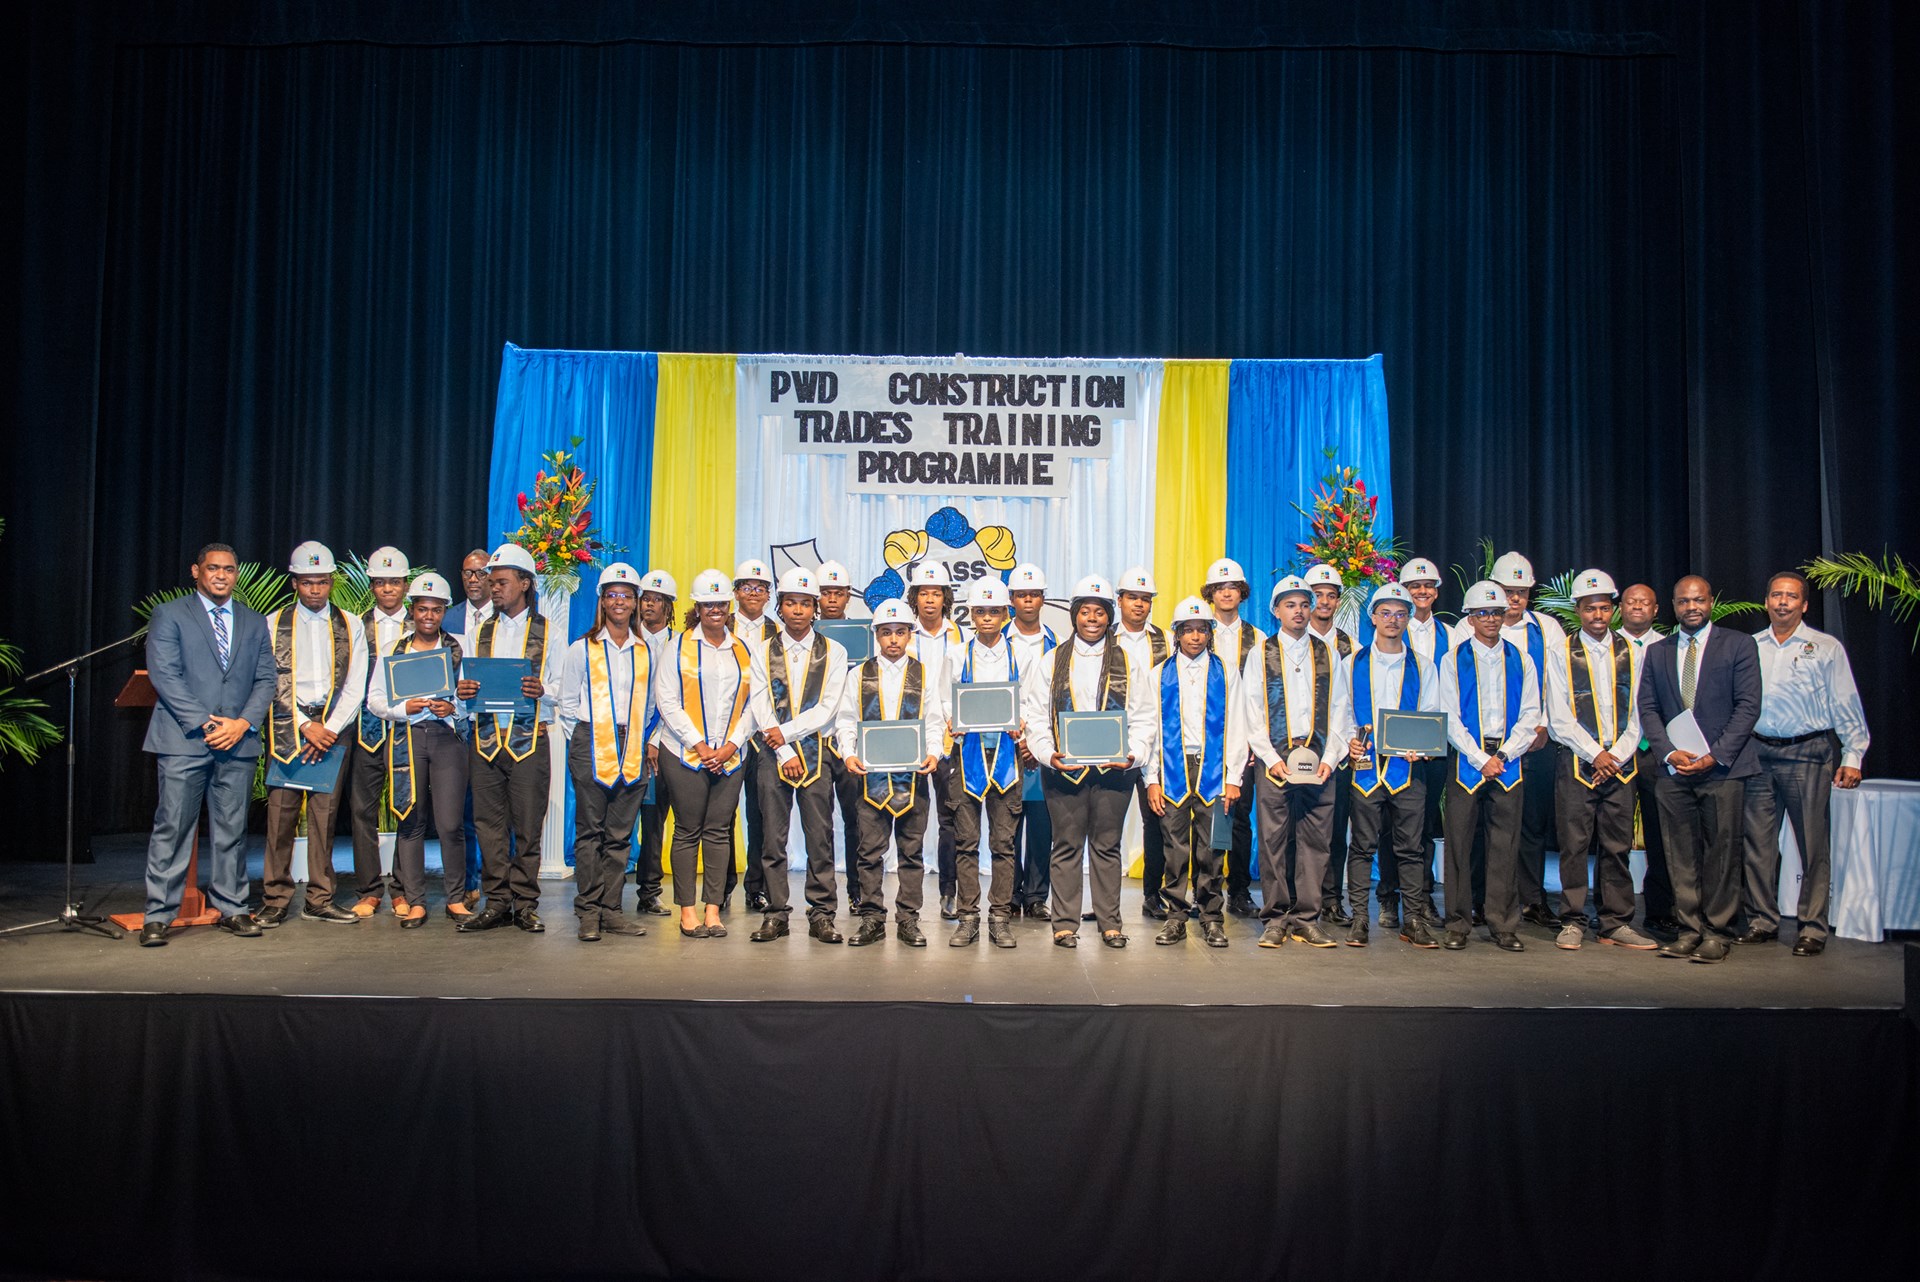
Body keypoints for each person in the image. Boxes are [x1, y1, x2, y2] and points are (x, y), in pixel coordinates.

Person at [137, 543, 276, 946]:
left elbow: (266, 679)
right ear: (196, 571)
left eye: (228, 569)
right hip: (184, 740)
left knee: (231, 830)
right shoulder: (170, 614)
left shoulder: (253, 622)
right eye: (213, 568)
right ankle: (159, 914)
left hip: (238, 741)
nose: (221, 575)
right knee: (174, 826)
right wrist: (204, 722)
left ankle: (233, 908)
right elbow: (164, 675)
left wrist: (242, 723)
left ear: (236, 575)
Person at [1738, 570, 1869, 956]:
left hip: (1807, 753)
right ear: (1766, 602)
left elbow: (1845, 702)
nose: (1782, 602)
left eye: (1791, 597)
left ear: (1804, 604)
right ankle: (1762, 920)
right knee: (1758, 844)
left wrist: (1853, 753)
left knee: (1812, 845)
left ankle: (1812, 927)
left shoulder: (1825, 647)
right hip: (1757, 752)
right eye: (1776, 595)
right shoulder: (1751, 646)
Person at [1021, 575, 1155, 948]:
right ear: (1075, 615)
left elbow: (1144, 716)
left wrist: (1134, 755)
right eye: (1085, 612)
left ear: (1108, 616)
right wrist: (1050, 755)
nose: (1091, 618)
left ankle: (1110, 922)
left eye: (1099, 612)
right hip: (1064, 770)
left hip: (1115, 771)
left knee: (1107, 845)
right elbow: (1034, 715)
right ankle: (1064, 923)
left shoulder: (1128, 661)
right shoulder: (1051, 661)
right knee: (1066, 845)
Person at [1637, 575, 1762, 964]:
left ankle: (1717, 931)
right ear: (1673, 606)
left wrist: (1716, 754)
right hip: (1675, 771)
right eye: (1683, 602)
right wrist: (1669, 753)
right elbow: (1648, 709)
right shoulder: (1658, 652)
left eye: (1699, 601)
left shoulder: (1739, 645)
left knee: (1721, 852)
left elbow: (1748, 707)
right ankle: (1689, 929)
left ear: (1711, 602)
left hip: (1723, 769)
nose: (1692, 608)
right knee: (1680, 854)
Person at [1544, 571, 1658, 951]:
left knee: (1616, 844)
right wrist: (1596, 753)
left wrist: (1618, 754)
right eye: (1590, 607)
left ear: (1613, 609)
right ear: (1577, 610)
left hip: (1621, 763)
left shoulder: (1634, 651)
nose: (1597, 614)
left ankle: (1616, 922)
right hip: (1577, 761)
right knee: (1575, 844)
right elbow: (1558, 717)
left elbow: (1642, 710)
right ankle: (1574, 920)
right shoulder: (1559, 652)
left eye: (1604, 607)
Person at [453, 544, 564, 934]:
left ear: (525, 583)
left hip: (528, 740)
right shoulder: (477, 631)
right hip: (484, 741)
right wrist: (461, 693)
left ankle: (525, 903)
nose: (492, 588)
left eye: (500, 582)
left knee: (528, 826)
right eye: (489, 581)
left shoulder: (550, 632)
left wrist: (542, 689)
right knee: (488, 825)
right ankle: (496, 901)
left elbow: (564, 691)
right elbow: (463, 692)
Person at [258, 541, 367, 928]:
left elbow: (356, 685)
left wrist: (330, 728)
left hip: (332, 731)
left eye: (322, 582)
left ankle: (319, 898)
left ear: (332, 581)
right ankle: (275, 897)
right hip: (289, 726)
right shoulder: (272, 624)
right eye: (308, 583)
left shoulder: (351, 625)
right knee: (281, 817)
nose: (316, 590)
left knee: (324, 818)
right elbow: (267, 681)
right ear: (295, 583)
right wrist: (305, 725)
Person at [1244, 575, 1355, 949]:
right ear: (1276, 610)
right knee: (1274, 841)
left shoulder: (1328, 652)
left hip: (1319, 762)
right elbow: (1252, 710)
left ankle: (1308, 918)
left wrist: (1332, 757)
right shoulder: (1261, 652)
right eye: (1291, 604)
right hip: (1274, 762)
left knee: (1316, 841)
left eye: (1305, 604)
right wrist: (1271, 758)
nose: (1300, 611)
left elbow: (1342, 708)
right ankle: (1275, 919)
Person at [746, 567, 850, 944]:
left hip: (816, 753)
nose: (797, 611)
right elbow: (760, 705)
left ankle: (822, 913)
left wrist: (786, 735)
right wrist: (783, 748)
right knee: (772, 839)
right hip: (772, 757)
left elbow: (828, 708)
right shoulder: (762, 651)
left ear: (815, 607)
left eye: (805, 604)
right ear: (781, 606)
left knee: (819, 837)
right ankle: (776, 913)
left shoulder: (834, 652)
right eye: (790, 603)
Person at [1438, 580, 1543, 952]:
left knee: (1505, 843)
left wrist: (1504, 755)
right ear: (1470, 617)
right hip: (1468, 758)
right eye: (1483, 613)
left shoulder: (1522, 659)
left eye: (1496, 612)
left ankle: (1503, 923)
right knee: (1459, 844)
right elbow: (1448, 716)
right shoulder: (1452, 660)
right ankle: (1457, 922)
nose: (1491, 619)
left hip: (1508, 759)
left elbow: (1531, 714)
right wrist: (1481, 759)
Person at [836, 599, 947, 947]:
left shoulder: (925, 674)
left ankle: (908, 919)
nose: (894, 639)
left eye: (900, 632)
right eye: (887, 633)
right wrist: (849, 753)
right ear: (877, 635)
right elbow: (845, 719)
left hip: (913, 778)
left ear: (909, 634)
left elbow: (934, 720)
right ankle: (871, 918)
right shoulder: (858, 674)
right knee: (869, 852)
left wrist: (934, 752)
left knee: (911, 854)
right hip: (871, 779)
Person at [1466, 551, 1567, 929]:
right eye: (1507, 590)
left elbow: (1556, 685)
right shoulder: (1470, 626)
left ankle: (1532, 900)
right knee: (1479, 824)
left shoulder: (1548, 629)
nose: (1513, 599)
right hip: (1482, 747)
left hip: (1535, 741)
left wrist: (1542, 727)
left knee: (1532, 824)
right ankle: (1479, 900)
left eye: (1521, 591)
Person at [654, 570, 757, 939]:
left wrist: (730, 745)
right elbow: (666, 700)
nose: (715, 609)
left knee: (718, 832)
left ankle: (713, 910)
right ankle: (687, 911)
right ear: (697, 608)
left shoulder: (745, 649)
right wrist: (700, 744)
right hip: (683, 752)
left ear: (729, 606)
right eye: (707, 604)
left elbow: (754, 704)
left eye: (720, 603)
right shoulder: (677, 646)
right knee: (686, 831)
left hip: (731, 756)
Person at [1340, 583, 1442, 948]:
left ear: (1408, 618)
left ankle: (1413, 920)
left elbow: (1431, 712)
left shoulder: (1424, 665)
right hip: (1365, 766)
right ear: (1373, 618)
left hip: (1408, 767)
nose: (1393, 620)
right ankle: (1359, 919)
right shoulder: (1351, 662)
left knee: (1411, 848)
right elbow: (1340, 712)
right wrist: (1345, 743)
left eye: (1400, 614)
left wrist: (1424, 746)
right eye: (1386, 613)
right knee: (1362, 846)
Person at [558, 563, 655, 942]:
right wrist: (585, 743)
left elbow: (649, 707)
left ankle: (612, 910)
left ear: (635, 603)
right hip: (589, 742)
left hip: (630, 744)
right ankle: (588, 911)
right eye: (612, 594)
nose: (619, 601)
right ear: (602, 600)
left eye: (626, 595)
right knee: (590, 833)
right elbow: (567, 705)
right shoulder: (580, 648)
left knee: (619, 835)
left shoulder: (646, 650)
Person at [365, 572, 467, 929]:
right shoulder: (395, 649)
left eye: (436, 610)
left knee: (451, 824)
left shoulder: (458, 648)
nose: (429, 616)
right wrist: (400, 710)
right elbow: (374, 699)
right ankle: (415, 900)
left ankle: (455, 899)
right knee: (410, 820)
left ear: (444, 611)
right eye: (422, 609)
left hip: (446, 740)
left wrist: (452, 708)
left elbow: (470, 698)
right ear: (412, 610)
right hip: (406, 739)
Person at [1144, 596, 1246, 948]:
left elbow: (1237, 725)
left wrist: (1234, 778)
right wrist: (1151, 779)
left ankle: (1212, 917)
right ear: (1176, 633)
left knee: (1213, 849)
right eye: (1188, 630)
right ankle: (1175, 917)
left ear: (1209, 633)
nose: (1195, 637)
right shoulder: (1158, 675)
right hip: (1172, 768)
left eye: (1201, 630)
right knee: (1175, 848)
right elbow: (1149, 728)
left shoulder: (1227, 671)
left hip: (1215, 770)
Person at [943, 579, 1027, 947]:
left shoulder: (1021, 654)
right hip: (968, 756)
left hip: (1007, 758)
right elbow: (944, 700)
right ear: (971, 614)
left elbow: (1031, 702)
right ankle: (968, 916)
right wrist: (952, 719)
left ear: (1006, 613)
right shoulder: (956, 654)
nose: (988, 618)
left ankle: (1000, 916)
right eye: (981, 611)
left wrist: (1022, 723)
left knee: (1004, 843)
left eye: (995, 611)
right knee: (966, 842)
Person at [345, 545, 414, 919]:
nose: (388, 589)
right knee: (362, 810)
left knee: (407, 808)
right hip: (366, 730)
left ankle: (402, 889)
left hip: (408, 729)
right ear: (372, 585)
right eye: (381, 582)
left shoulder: (420, 624)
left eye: (395, 582)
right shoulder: (355, 625)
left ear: (405, 585)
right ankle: (369, 889)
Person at [1203, 556, 1268, 918]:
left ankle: (1239, 890)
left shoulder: (1257, 638)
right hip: (1201, 740)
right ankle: (1205, 889)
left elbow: (1260, 695)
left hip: (1243, 742)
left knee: (1240, 819)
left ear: (1241, 593)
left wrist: (1256, 743)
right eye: (1219, 588)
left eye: (1232, 587)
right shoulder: (1194, 630)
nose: (1226, 593)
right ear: (1211, 593)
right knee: (1204, 819)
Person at [906, 560, 965, 921]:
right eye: (923, 593)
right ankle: (907, 901)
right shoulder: (900, 632)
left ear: (946, 597)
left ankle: (949, 893)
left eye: (936, 593)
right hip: (908, 741)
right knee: (910, 818)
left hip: (948, 741)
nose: (930, 600)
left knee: (950, 821)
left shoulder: (961, 636)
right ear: (914, 597)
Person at [1394, 557, 1451, 933]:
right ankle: (1390, 897)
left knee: (1427, 822)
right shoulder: (1392, 626)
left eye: (1428, 585)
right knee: (1392, 823)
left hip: (1440, 739)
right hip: (1398, 742)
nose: (1422, 591)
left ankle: (1424, 896)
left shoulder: (1455, 633)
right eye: (1415, 586)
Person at [1111, 566, 1171, 920]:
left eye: (1146, 599)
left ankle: (1153, 895)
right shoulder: (1104, 638)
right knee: (1107, 825)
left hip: (1155, 746)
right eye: (1133, 597)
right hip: (1114, 745)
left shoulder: (1165, 640)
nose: (1139, 604)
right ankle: (1107, 903)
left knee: (1156, 822)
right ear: (1120, 601)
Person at [1303, 562, 1359, 927]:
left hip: (1335, 752)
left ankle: (1332, 898)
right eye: (1317, 595)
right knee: (1297, 830)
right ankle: (1298, 897)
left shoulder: (1350, 645)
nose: (1324, 601)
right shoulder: (1285, 641)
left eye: (1331, 595)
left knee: (1335, 830)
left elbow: (1352, 701)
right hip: (1294, 752)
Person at [1617, 584, 1672, 935]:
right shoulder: (1601, 644)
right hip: (1615, 751)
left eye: (1645, 603)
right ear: (1620, 607)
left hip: (1655, 750)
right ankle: (1614, 912)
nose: (1637, 607)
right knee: (1614, 835)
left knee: (1661, 832)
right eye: (1630, 602)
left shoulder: (1669, 647)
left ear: (1656, 610)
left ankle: (1660, 909)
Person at [1004, 562, 1058, 919]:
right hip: (1008, 745)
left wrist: (1037, 742)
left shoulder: (1057, 644)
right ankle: (1008, 894)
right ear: (1011, 600)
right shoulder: (994, 639)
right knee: (1007, 825)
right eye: (1021, 595)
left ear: (1042, 599)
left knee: (1041, 824)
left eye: (1033, 595)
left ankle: (1037, 896)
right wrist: (1020, 738)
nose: (1027, 601)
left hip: (1042, 747)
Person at [813, 559, 865, 915]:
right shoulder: (803, 635)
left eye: (839, 592)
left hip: (849, 742)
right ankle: (822, 896)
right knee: (818, 824)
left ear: (848, 596)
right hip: (812, 740)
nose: (832, 599)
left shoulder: (864, 634)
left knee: (857, 820)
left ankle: (857, 891)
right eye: (826, 592)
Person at [728, 558, 779, 912]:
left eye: (760, 588)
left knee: (760, 814)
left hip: (763, 736)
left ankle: (755, 886)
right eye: (747, 587)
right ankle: (722, 886)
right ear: (735, 593)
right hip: (724, 734)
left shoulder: (778, 632)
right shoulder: (718, 624)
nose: (754, 593)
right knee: (721, 815)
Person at [444, 547, 492, 909]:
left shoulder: (506, 618)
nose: (473, 580)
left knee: (492, 810)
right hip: (456, 727)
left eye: (480, 573)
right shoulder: (447, 618)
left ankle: (496, 880)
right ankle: (469, 882)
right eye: (467, 573)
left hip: (495, 724)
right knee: (463, 811)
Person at [631, 568, 679, 916]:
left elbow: (677, 698)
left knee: (653, 820)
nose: (649, 604)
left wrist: (656, 739)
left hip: (662, 745)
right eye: (645, 598)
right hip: (621, 741)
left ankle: (649, 892)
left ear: (669, 606)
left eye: (656, 599)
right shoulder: (625, 638)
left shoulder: (680, 644)